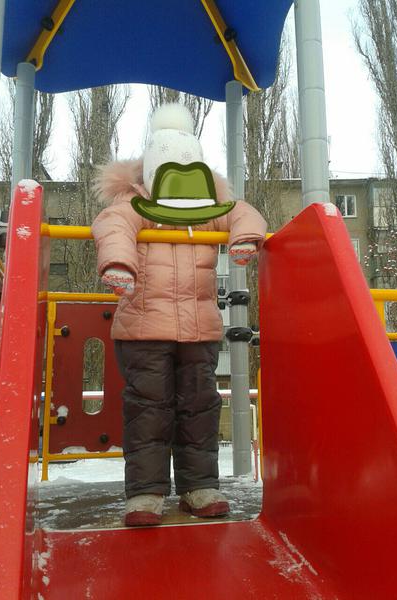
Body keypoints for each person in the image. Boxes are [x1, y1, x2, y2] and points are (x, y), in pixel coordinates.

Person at [92, 103, 267, 527]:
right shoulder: (135, 205)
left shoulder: (208, 210)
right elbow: (111, 226)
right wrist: (119, 263)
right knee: (149, 410)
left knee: (199, 407)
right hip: (144, 329)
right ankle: (146, 493)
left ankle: (199, 486)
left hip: (198, 330)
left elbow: (244, 212)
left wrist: (244, 237)